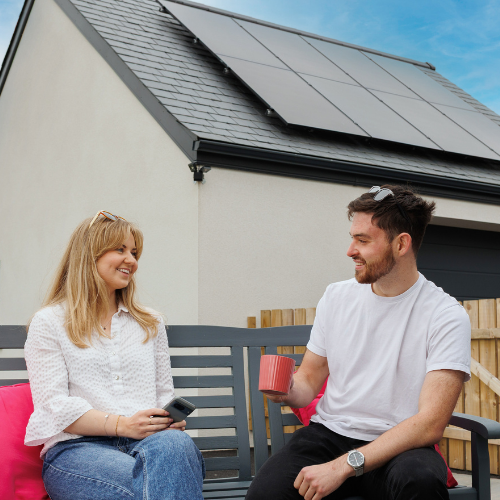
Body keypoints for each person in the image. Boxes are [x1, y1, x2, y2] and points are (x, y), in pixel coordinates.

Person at [246, 185, 471, 500]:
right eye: (352, 237)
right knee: (267, 494)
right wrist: (287, 391)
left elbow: (430, 424)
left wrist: (342, 467)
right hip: (328, 436)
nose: (350, 250)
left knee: (420, 483)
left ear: (401, 244)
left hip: (401, 446)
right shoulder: (337, 297)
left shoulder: (445, 315)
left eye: (363, 240)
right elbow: (309, 379)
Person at [24, 211, 205, 500]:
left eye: (134, 252)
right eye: (120, 249)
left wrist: (166, 420)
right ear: (89, 254)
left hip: (151, 445)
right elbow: (54, 407)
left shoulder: (151, 322)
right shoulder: (50, 322)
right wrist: (122, 424)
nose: (131, 260)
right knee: (158, 483)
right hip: (78, 449)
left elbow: (162, 394)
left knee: (176, 446)